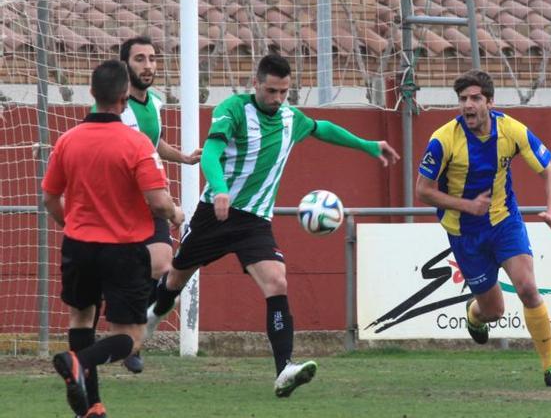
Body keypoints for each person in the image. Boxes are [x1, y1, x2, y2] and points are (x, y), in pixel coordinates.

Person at [144, 53, 400, 397]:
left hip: (255, 223)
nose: (278, 99)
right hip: (214, 214)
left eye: (284, 92)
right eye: (271, 91)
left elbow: (321, 128)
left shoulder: (289, 118)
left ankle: (284, 370)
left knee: (277, 282)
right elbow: (209, 153)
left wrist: (367, 145)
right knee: (175, 280)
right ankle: (153, 314)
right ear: (256, 85)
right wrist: (219, 189)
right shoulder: (234, 109)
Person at [43, 60, 184, 417]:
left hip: (78, 246)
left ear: (92, 94)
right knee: (130, 337)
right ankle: (79, 362)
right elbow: (156, 201)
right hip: (122, 249)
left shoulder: (67, 141)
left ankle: (91, 406)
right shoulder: (136, 144)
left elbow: (49, 197)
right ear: (124, 98)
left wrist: (71, 227)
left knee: (81, 319)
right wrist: (175, 213)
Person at [415, 69, 551, 387]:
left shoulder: (512, 130)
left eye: (475, 99)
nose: (468, 105)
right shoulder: (443, 139)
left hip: (504, 222)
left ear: (490, 102)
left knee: (528, 288)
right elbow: (423, 190)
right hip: (464, 233)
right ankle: (475, 313)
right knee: (494, 311)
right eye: (462, 99)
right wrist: (467, 206)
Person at [110, 35, 202, 374]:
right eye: (140, 59)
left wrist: (184, 159)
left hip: (151, 198)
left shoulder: (156, 103)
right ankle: (113, 336)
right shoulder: (113, 107)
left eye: (152, 58)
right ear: (125, 65)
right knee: (122, 274)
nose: (148, 65)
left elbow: (153, 141)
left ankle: (133, 339)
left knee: (164, 265)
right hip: (119, 204)